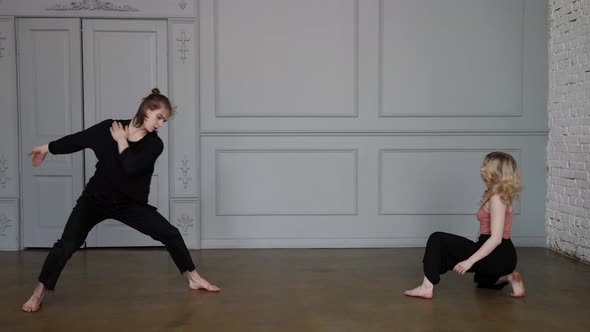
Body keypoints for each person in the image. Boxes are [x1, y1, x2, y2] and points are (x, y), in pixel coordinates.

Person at [22, 88, 219, 313]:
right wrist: (48, 148)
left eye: (164, 121)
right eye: (159, 118)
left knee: (170, 233)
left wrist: (121, 141)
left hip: (130, 204)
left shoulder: (154, 144)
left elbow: (131, 167)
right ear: (147, 109)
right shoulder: (110, 127)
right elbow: (79, 140)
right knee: (66, 245)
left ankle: (193, 277)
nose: (160, 124)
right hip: (95, 200)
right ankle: (38, 293)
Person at [404, 151, 525, 299]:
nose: (482, 169)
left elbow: (496, 239)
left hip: (498, 253)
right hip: (504, 256)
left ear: (498, 171)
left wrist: (469, 261)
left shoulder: (497, 198)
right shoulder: (501, 195)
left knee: (437, 238)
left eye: (486, 166)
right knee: (482, 281)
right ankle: (509, 277)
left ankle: (425, 287)